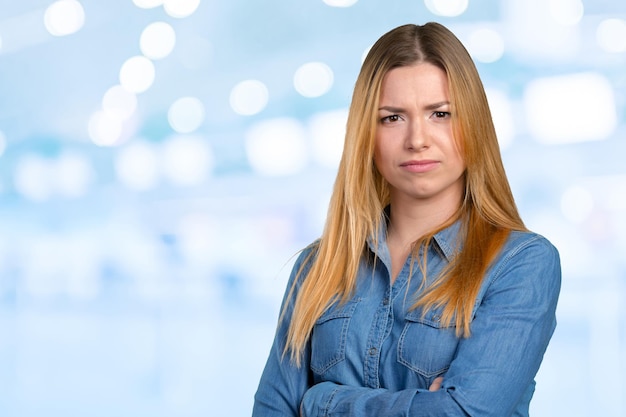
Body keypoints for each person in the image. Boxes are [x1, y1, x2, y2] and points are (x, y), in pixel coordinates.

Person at [252, 22, 561, 417]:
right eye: (392, 118)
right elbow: (271, 411)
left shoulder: (521, 264)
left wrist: (320, 400)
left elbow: (467, 413)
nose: (418, 138)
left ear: (474, 124)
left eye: (440, 114)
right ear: (367, 133)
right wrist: (427, 404)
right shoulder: (317, 267)